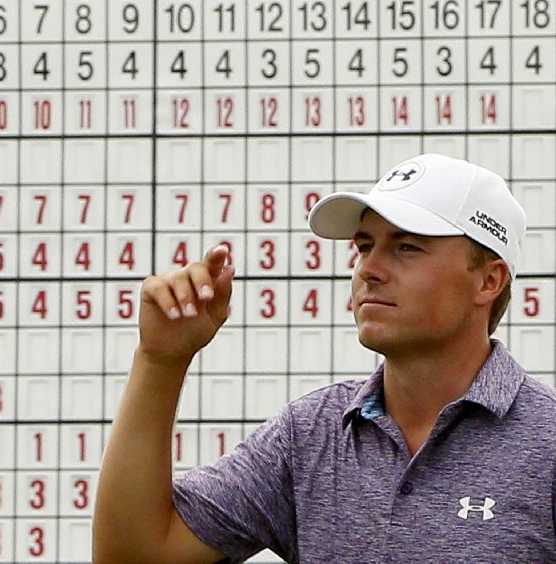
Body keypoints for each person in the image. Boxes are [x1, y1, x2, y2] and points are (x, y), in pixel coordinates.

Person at [93, 153, 556, 563]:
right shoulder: (309, 433)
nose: (369, 269)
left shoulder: (548, 440)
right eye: (364, 246)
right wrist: (160, 361)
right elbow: (134, 555)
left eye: (407, 246)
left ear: (488, 281)